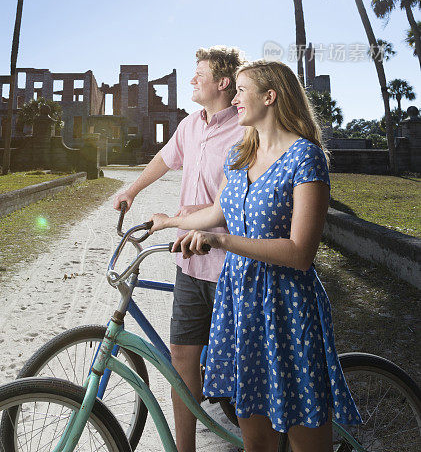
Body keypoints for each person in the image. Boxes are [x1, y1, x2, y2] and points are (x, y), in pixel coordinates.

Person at [149, 60, 361, 452]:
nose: (235, 98)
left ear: (270, 96)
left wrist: (222, 242)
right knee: (256, 440)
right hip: (240, 302)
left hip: (286, 305)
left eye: (242, 90)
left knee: (305, 438)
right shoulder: (240, 153)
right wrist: (169, 222)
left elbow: (299, 253)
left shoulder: (305, 158)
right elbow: (217, 213)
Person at [113, 46, 245, 452]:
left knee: (245, 368)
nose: (192, 80)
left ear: (222, 82)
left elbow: (230, 201)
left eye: (199, 74)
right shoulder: (190, 125)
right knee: (182, 359)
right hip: (190, 265)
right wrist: (132, 189)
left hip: (231, 265)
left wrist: (175, 221)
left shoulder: (245, 128)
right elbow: (164, 158)